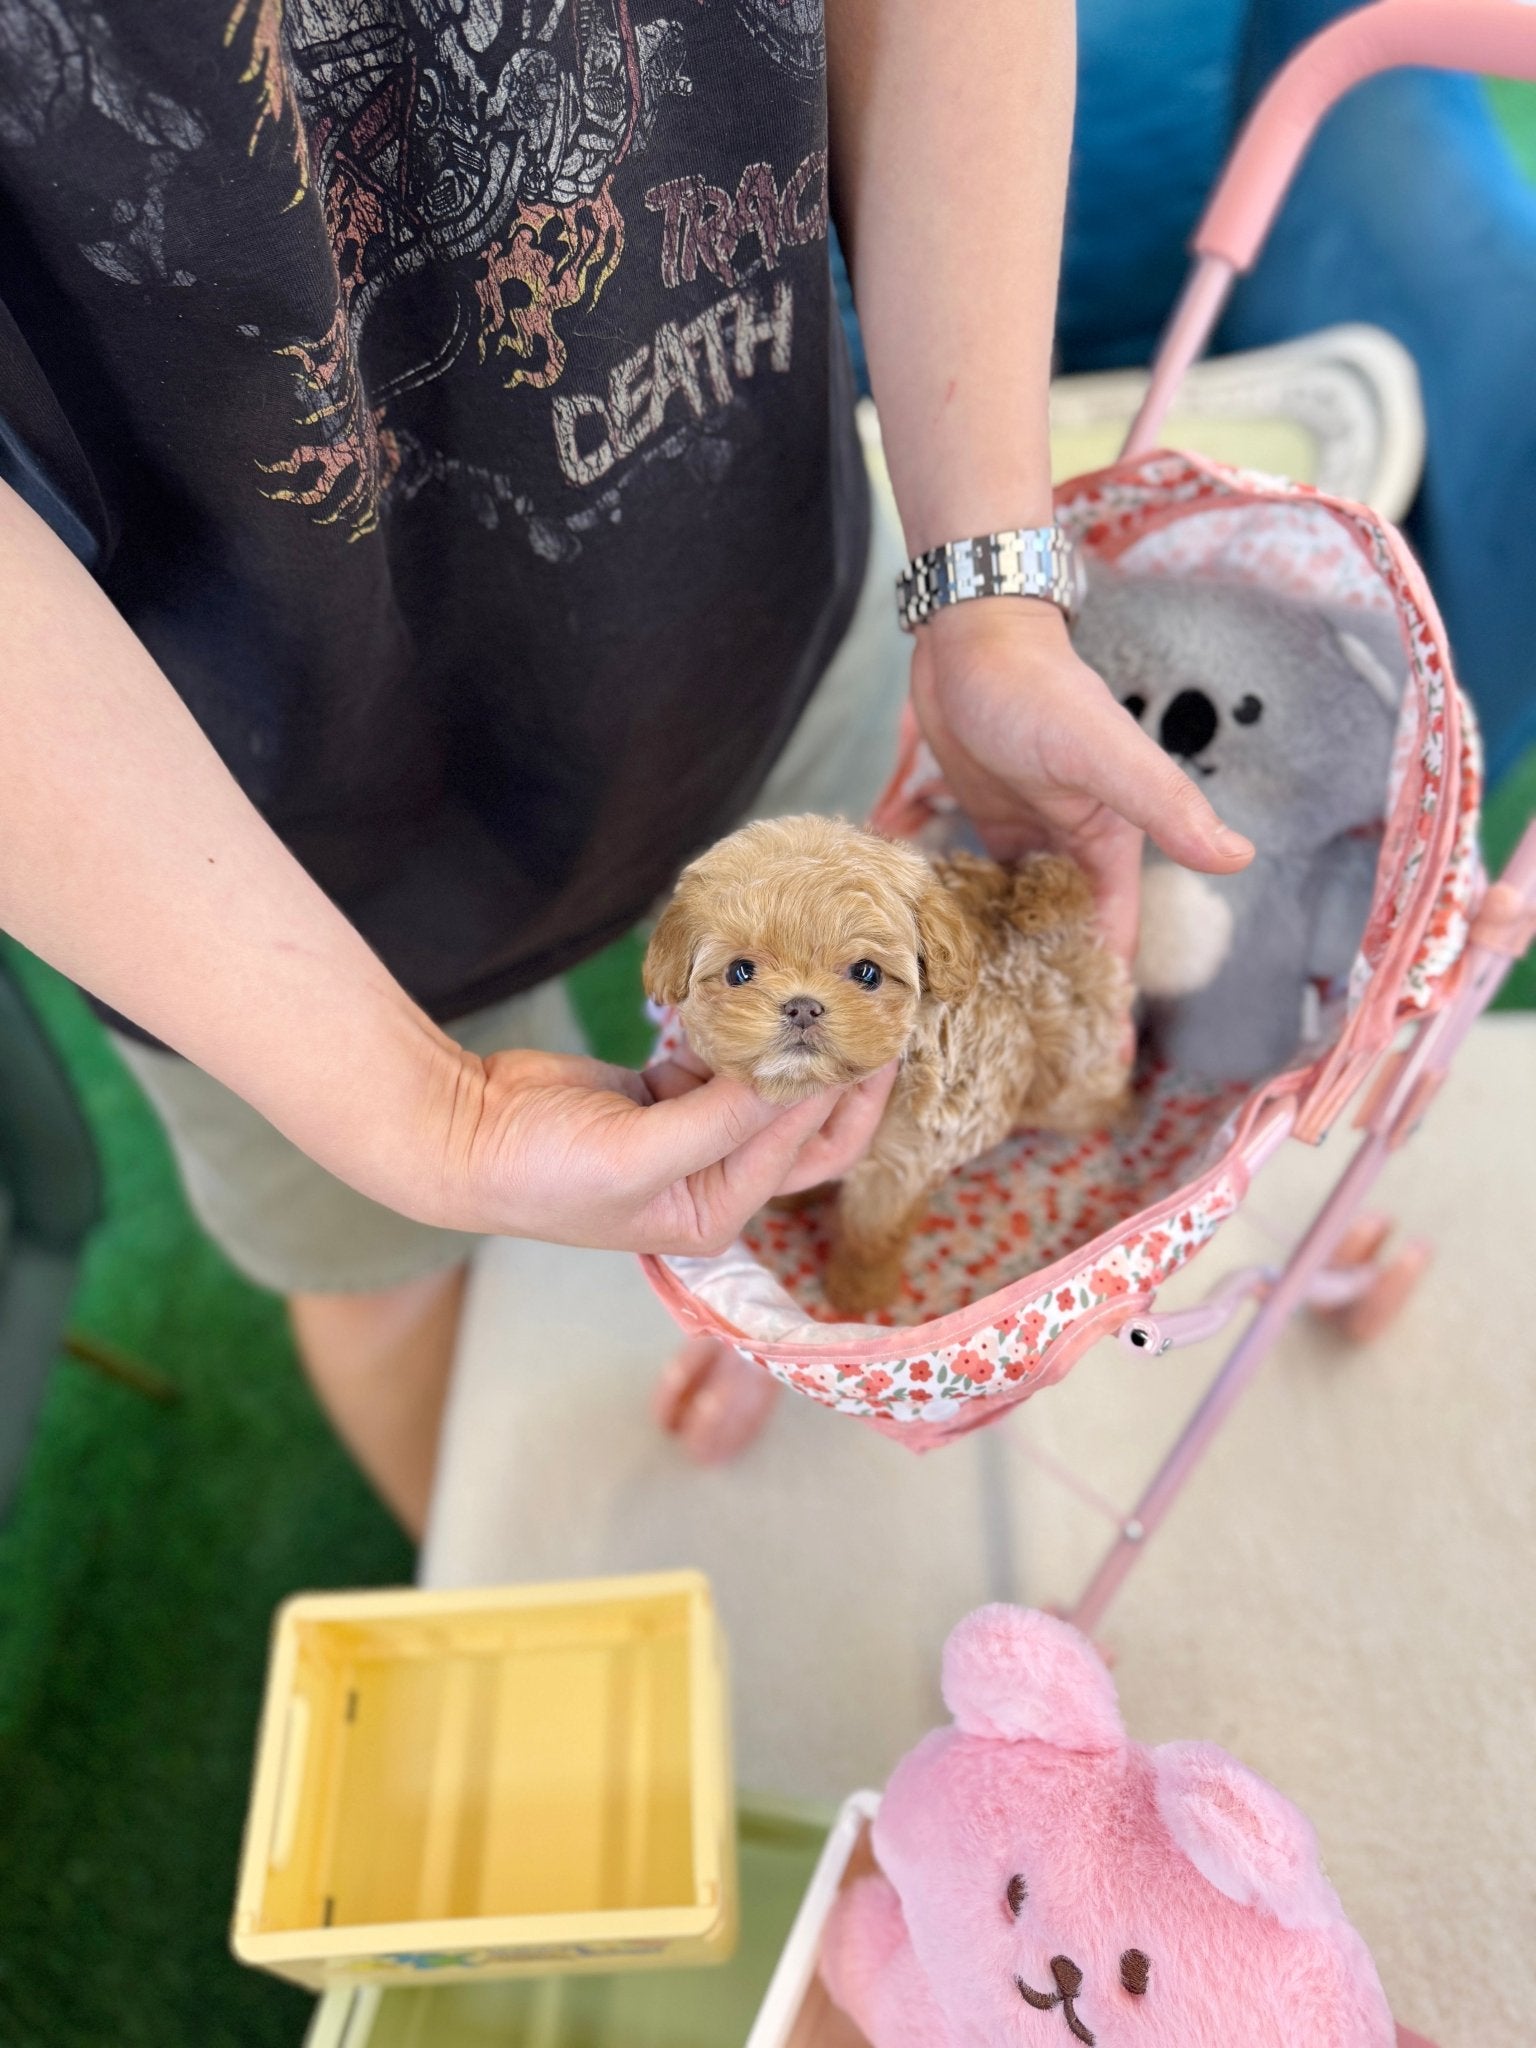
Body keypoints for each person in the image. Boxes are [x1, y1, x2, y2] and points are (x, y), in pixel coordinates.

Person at [0, 0, 1249, 1537]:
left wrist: (988, 594)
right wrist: (412, 1119)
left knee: (834, 1120)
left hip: (764, 579)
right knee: (387, 1279)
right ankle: (523, 1576)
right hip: (210, 829)